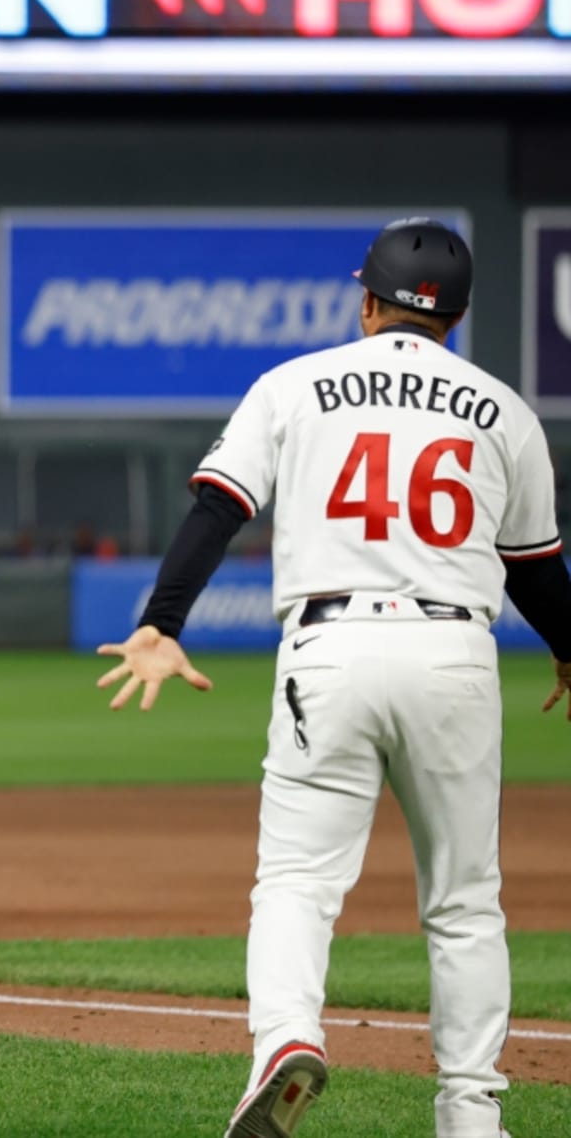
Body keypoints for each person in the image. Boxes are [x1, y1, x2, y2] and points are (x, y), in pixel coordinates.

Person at [91, 218, 571, 1138]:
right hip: (454, 655)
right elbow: (537, 567)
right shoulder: (504, 408)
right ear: (457, 318)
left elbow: (217, 508)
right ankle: (471, 1114)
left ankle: (284, 1040)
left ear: (366, 302)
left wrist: (160, 623)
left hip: (329, 649)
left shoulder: (292, 386)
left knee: (298, 883)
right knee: (466, 901)